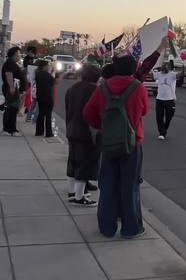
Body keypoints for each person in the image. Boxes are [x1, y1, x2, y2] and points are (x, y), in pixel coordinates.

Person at [83, 55, 149, 238]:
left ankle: (107, 227)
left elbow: (88, 113)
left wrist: (104, 127)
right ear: (133, 69)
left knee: (107, 185)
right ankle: (131, 228)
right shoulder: (138, 87)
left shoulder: (103, 88)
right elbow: (144, 110)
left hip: (109, 143)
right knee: (130, 187)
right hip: (132, 144)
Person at [65, 65, 102, 206]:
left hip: (71, 129)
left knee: (73, 162)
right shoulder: (95, 90)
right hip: (87, 132)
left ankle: (72, 191)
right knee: (85, 164)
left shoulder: (72, 88)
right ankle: (80, 197)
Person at [1, 47, 26, 136]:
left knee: (13, 109)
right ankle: (7, 130)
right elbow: (9, 74)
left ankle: (12, 129)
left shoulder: (13, 63)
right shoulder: (10, 63)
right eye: (19, 53)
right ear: (15, 54)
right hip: (11, 89)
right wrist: (11, 87)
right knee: (10, 109)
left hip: (15, 89)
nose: (19, 55)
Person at [153, 62, 180, 140]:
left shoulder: (172, 74)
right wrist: (151, 69)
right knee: (159, 117)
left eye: (166, 66)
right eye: (163, 66)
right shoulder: (159, 74)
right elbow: (152, 75)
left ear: (169, 67)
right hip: (159, 99)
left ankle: (164, 129)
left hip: (170, 99)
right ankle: (162, 133)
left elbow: (179, 75)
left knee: (169, 116)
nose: (164, 67)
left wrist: (184, 69)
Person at [35, 60, 57, 137]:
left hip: (40, 96)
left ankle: (39, 131)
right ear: (44, 66)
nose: (49, 67)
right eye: (48, 66)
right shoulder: (47, 75)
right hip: (48, 97)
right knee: (48, 115)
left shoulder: (38, 74)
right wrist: (54, 72)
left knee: (41, 114)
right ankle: (48, 133)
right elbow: (54, 83)